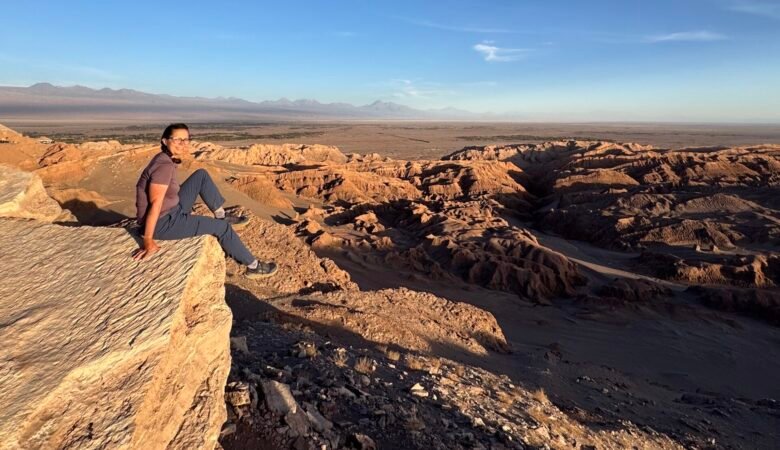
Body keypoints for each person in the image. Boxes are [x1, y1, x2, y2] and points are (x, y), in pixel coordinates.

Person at [132, 123, 277, 278]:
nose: (182, 144)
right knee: (223, 228)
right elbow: (156, 203)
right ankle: (254, 266)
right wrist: (148, 240)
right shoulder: (163, 166)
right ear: (164, 141)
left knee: (200, 175)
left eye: (186, 140)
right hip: (163, 223)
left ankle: (221, 214)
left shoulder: (165, 158)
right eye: (177, 140)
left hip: (172, 210)